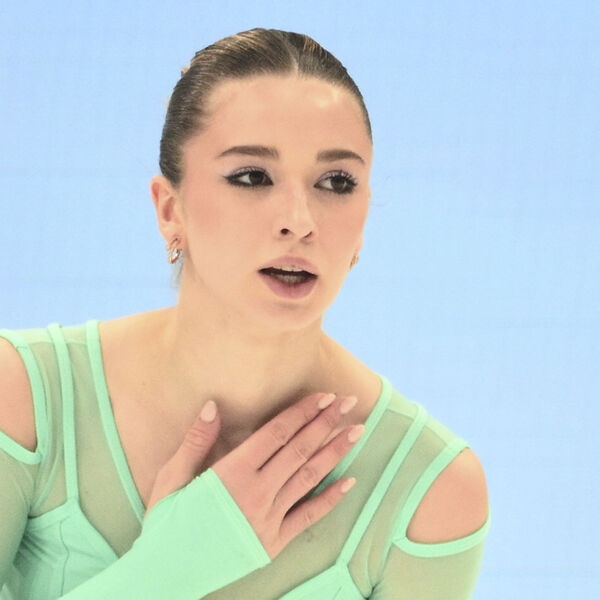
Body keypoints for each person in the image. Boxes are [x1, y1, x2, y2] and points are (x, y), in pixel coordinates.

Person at [0, 28, 490, 599]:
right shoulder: (24, 398)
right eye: (252, 176)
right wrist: (170, 569)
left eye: (336, 182)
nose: (300, 221)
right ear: (169, 208)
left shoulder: (431, 495)